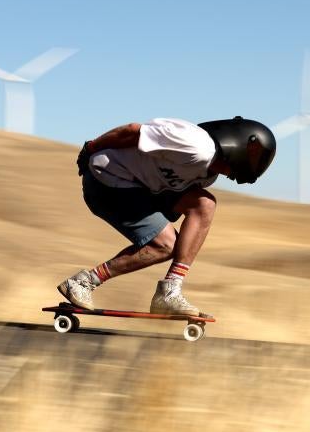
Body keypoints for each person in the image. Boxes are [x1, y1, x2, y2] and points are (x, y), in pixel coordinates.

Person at [57, 116, 276, 317]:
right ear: (240, 142)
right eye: (255, 156)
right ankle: (83, 282)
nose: (255, 164)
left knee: (204, 205)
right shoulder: (195, 144)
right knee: (166, 246)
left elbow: (173, 201)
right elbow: (133, 131)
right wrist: (91, 148)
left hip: (143, 187)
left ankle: (170, 291)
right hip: (106, 179)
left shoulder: (207, 175)